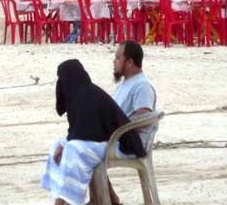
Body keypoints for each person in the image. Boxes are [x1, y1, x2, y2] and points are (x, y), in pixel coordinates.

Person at [41, 59, 146, 205]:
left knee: (72, 150)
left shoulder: (86, 95)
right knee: (57, 145)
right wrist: (63, 144)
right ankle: (109, 198)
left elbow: (86, 133)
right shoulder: (80, 94)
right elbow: (81, 130)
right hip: (105, 139)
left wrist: (66, 145)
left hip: (120, 143)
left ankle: (64, 201)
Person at [108, 40, 157, 204]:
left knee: (83, 151)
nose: (114, 62)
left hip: (130, 144)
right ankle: (108, 199)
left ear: (129, 62)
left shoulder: (142, 86)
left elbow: (143, 119)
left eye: (117, 58)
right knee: (79, 145)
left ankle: (106, 199)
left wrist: (114, 127)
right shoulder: (126, 83)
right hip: (119, 139)